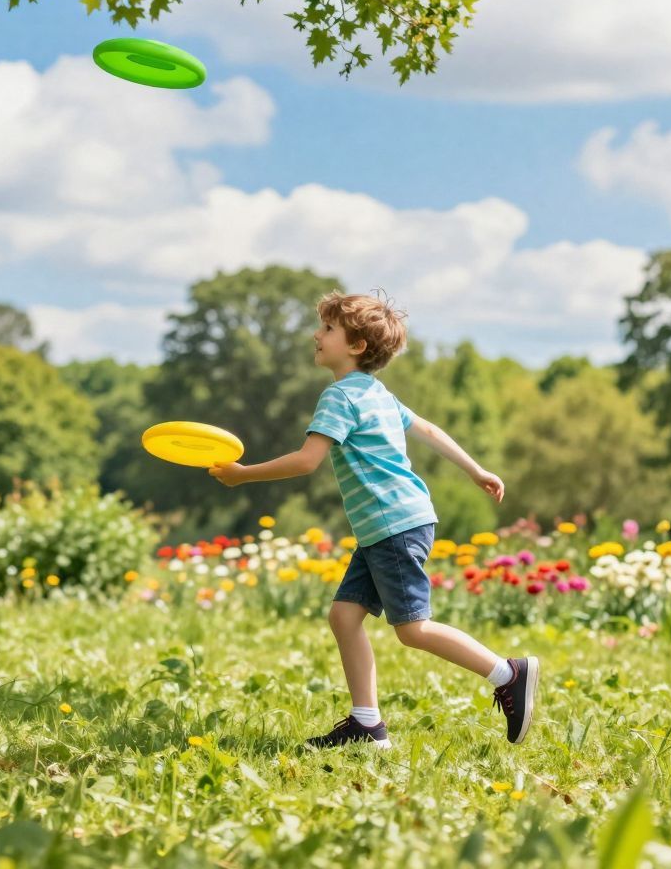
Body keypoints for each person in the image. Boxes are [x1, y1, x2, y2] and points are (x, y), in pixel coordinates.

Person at [209, 292, 540, 749]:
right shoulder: (377, 394)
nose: (316, 335)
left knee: (413, 629)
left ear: (357, 346)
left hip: (392, 525)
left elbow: (307, 461)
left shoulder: (340, 396)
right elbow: (428, 429)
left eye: (328, 329)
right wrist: (475, 469)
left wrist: (243, 474)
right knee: (344, 616)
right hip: (392, 524)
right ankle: (367, 725)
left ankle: (508, 674)